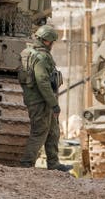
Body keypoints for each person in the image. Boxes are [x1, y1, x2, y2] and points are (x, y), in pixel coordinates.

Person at [18, 24, 72, 172]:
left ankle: (54, 163)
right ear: (47, 41)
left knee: (53, 131)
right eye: (52, 42)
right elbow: (42, 81)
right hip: (40, 100)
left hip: (43, 100)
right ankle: (27, 164)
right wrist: (54, 104)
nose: (53, 45)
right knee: (39, 131)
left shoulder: (31, 53)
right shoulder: (41, 58)